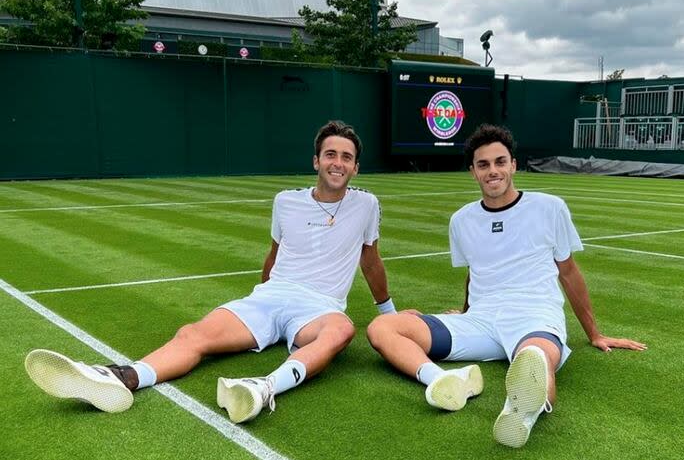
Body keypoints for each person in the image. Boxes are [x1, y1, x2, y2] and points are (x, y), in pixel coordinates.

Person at [25, 120, 396, 423]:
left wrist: (389, 316)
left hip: (320, 308)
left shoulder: (366, 205)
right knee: (193, 333)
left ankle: (264, 387)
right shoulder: (285, 201)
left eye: (347, 157)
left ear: (356, 167)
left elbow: (370, 260)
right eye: (330, 154)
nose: (338, 163)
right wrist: (259, 298)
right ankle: (123, 376)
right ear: (316, 160)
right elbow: (274, 255)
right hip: (271, 297)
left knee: (342, 329)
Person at [366, 124, 646, 448]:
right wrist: (467, 311)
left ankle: (522, 413)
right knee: (382, 328)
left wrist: (594, 333)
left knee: (536, 361)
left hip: (534, 316)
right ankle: (443, 379)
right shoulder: (461, 220)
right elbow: (474, 272)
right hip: (480, 321)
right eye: (483, 164)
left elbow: (569, 272)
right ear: (472, 171)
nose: (493, 171)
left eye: (500, 162)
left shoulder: (550, 207)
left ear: (513, 164)